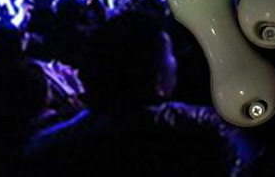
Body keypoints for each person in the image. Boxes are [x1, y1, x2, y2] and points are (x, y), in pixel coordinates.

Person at [24, 10, 240, 176]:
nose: (176, 62)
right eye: (170, 54)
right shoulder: (204, 131)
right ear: (154, 73)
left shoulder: (48, 145)